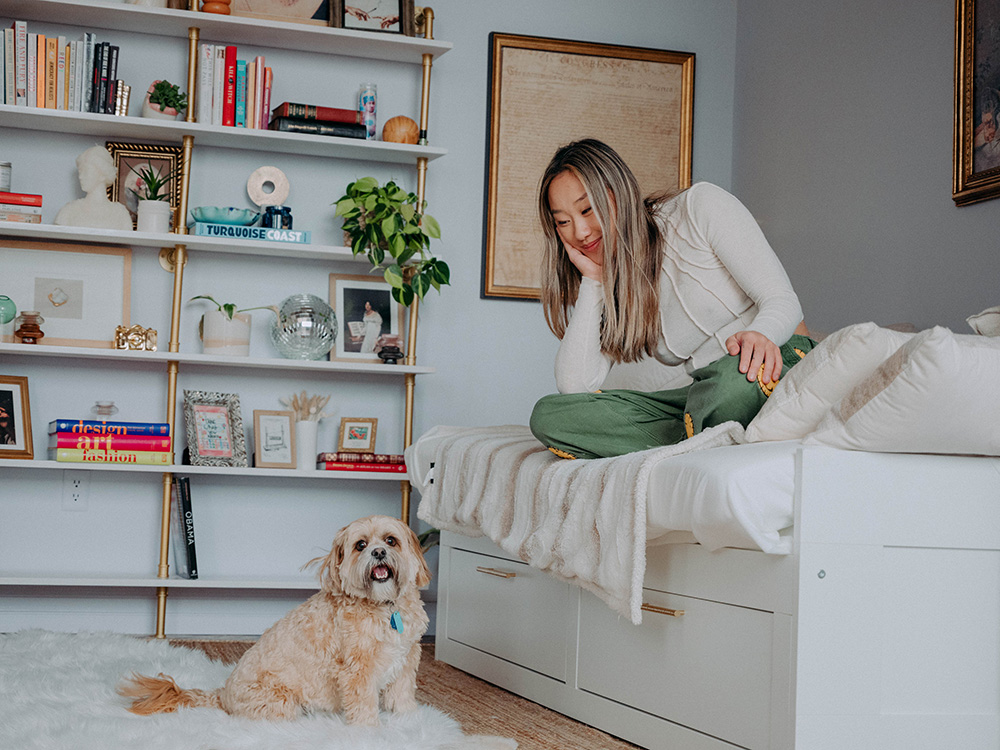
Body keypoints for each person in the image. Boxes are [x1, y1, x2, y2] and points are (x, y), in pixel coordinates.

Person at [529, 138, 815, 460]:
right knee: (550, 415)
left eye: (587, 209)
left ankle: (692, 437)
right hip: (702, 397)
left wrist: (762, 335)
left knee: (728, 384)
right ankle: (697, 438)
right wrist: (594, 282)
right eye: (563, 222)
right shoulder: (617, 286)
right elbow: (574, 386)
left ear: (617, 193)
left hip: (769, 363)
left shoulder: (698, 208)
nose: (580, 232)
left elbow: (783, 299)